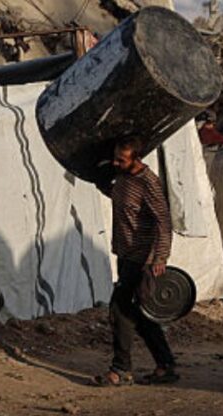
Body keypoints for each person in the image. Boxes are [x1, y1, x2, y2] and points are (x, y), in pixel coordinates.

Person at [95, 137, 177, 387]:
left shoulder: (148, 183)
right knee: (140, 314)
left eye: (122, 160)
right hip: (124, 253)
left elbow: (163, 221)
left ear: (136, 159)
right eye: (116, 158)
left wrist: (159, 257)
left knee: (119, 310)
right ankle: (166, 366)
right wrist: (100, 182)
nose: (116, 163)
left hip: (141, 258)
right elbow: (120, 196)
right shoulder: (123, 178)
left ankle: (120, 370)